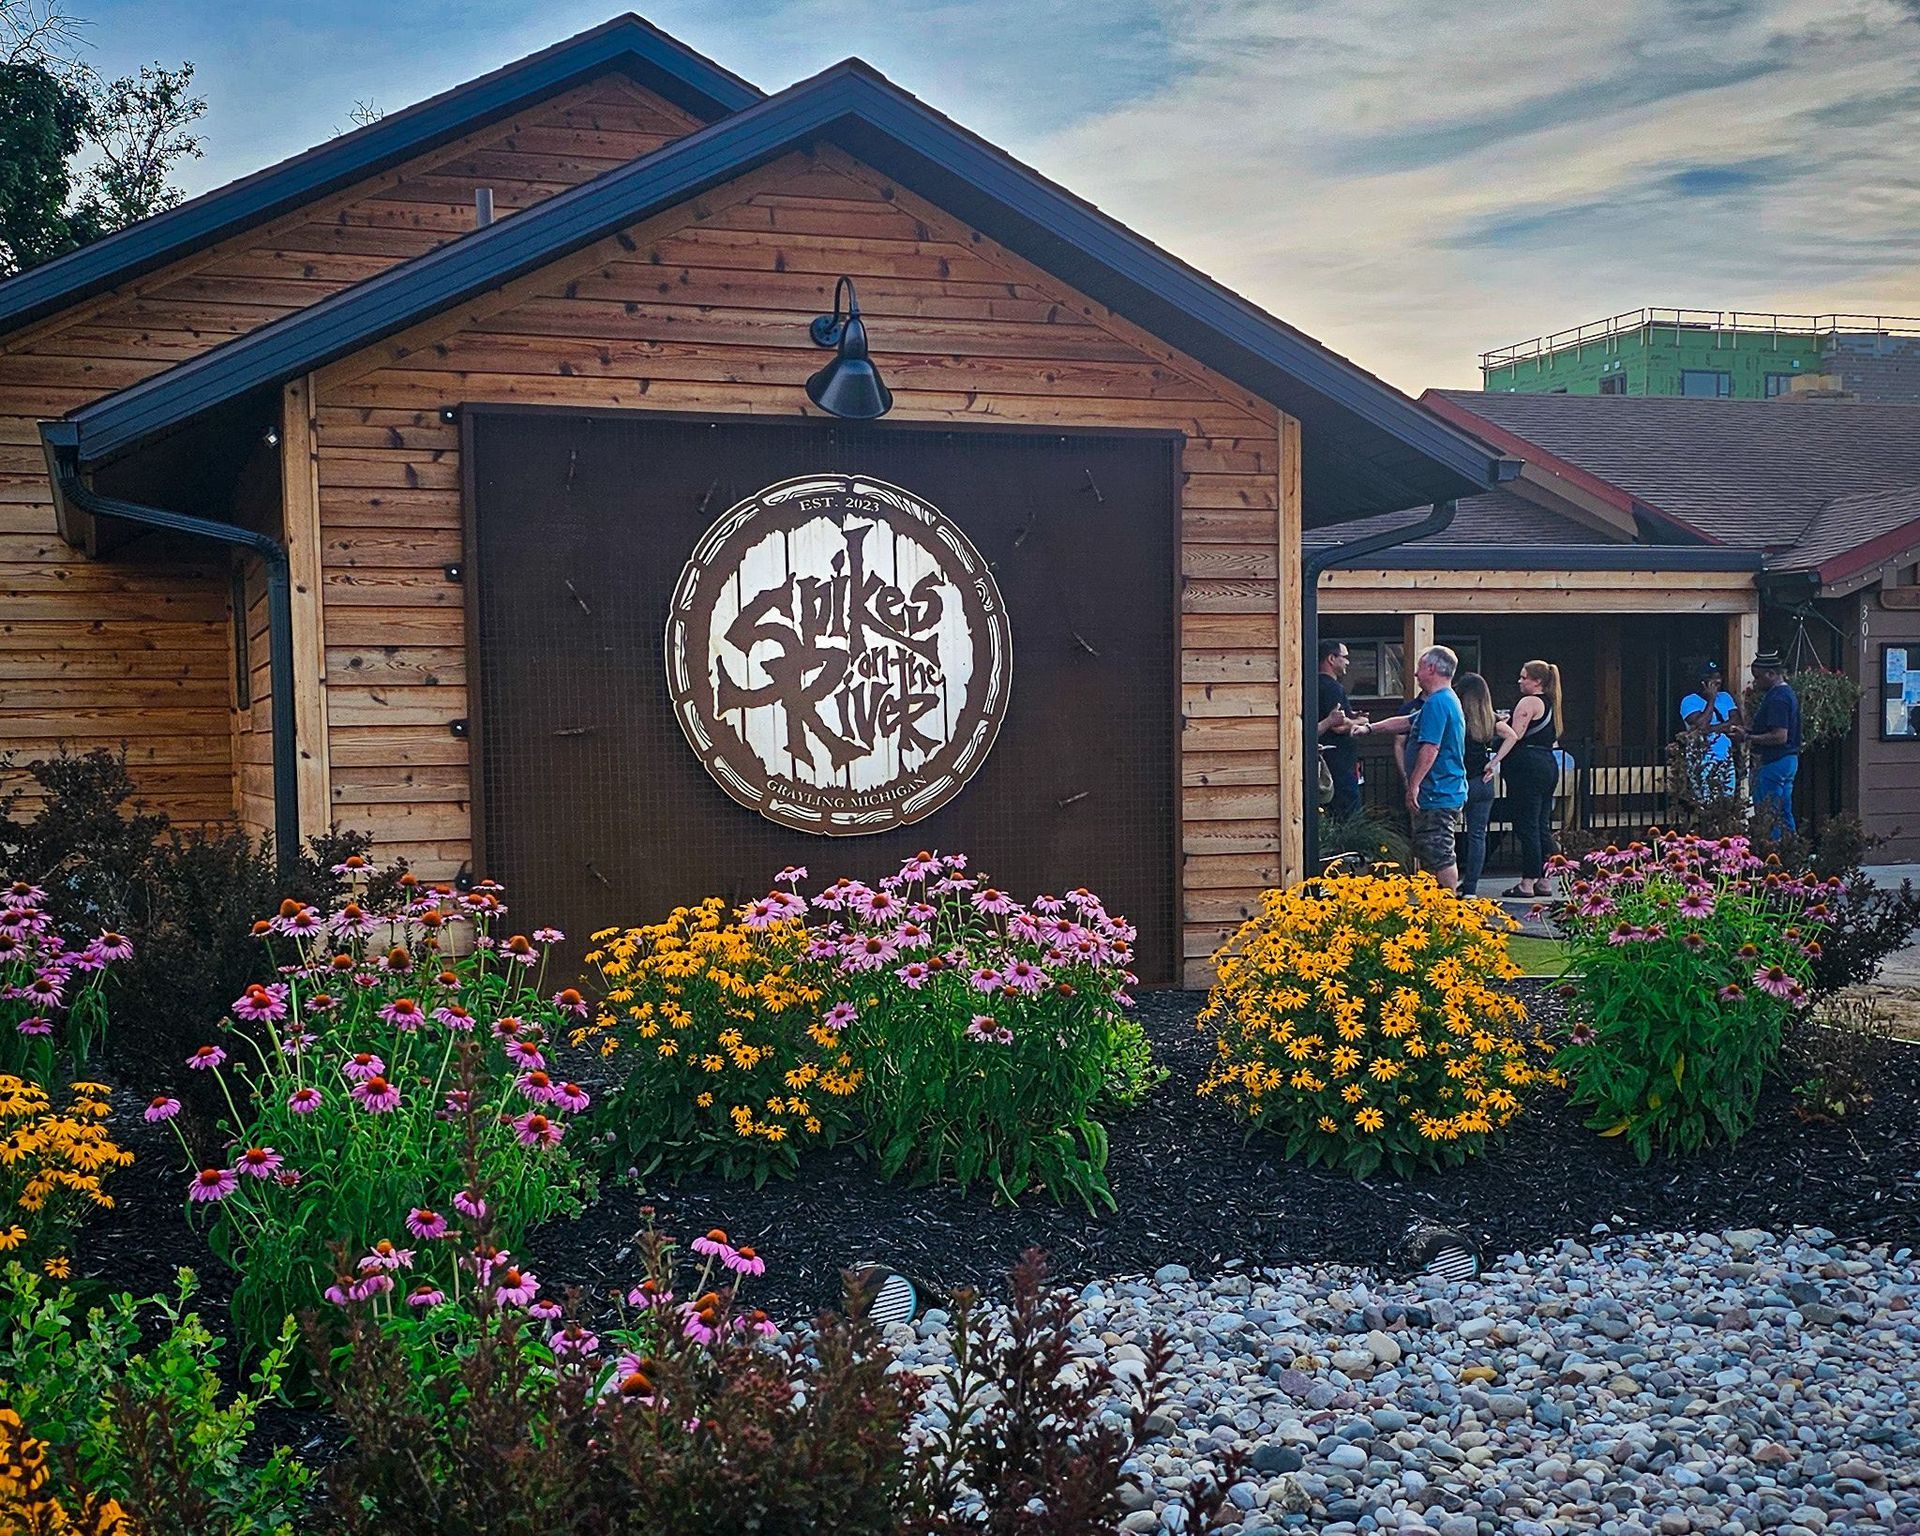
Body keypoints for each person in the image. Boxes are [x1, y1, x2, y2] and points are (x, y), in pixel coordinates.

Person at [1366, 646, 1467, 889]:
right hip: (1439, 790)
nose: (1415, 674)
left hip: (1437, 792)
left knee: (1440, 852)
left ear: (1432, 668)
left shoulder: (1439, 702)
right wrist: (1368, 728)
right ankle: (1437, 902)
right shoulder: (1439, 701)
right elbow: (1407, 721)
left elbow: (1430, 748)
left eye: (1420, 667)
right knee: (1430, 849)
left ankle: (1448, 907)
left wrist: (1413, 786)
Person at [1486, 658, 1563, 898]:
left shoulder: (1528, 702)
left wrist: (1494, 758)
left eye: (1524, 677)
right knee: (1541, 823)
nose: (1519, 681)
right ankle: (1544, 879)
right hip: (1547, 764)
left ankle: (1527, 881)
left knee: (1525, 824)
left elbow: (1515, 735)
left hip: (1526, 767)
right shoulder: (1551, 703)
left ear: (1537, 681)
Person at [1734, 650, 1801, 836]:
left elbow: (1780, 735)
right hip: (1789, 761)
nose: (1756, 682)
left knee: (1768, 813)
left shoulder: (1777, 698)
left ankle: (1773, 854)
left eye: (1758, 677)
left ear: (1771, 674)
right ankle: (1791, 852)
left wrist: (1747, 738)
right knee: (1784, 811)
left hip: (1772, 762)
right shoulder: (1788, 693)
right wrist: (1748, 731)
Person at [1453, 671, 1499, 896]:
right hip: (1484, 782)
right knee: (1477, 835)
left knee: (1445, 832)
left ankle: (1447, 881)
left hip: (1462, 781)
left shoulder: (1460, 718)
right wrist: (1495, 763)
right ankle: (1470, 887)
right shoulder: (1490, 718)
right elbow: (1511, 735)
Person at [1679, 660, 1740, 800]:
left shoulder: (1725, 698)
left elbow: (1736, 722)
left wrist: (1711, 728)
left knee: (1727, 798)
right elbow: (1700, 725)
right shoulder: (1689, 701)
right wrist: (1711, 700)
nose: (1717, 681)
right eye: (1712, 680)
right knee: (1706, 799)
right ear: (1703, 682)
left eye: (1719, 678)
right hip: (1702, 756)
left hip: (1725, 755)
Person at [1316, 639, 1362, 821]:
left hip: (1328, 764)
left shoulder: (1314, 685)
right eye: (1345, 657)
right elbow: (1338, 725)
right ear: (1331, 659)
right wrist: (1360, 721)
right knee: (1348, 815)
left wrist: (1351, 715)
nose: (1347, 662)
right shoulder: (1332, 687)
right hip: (1339, 765)